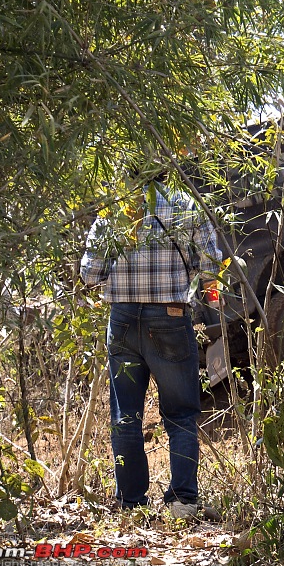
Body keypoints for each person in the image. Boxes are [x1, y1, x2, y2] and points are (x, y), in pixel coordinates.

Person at [81, 167, 222, 520]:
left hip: (123, 320)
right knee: (181, 414)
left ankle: (131, 504)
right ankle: (183, 501)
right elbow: (212, 267)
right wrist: (199, 284)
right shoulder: (185, 204)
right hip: (171, 317)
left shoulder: (113, 211)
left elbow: (89, 274)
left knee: (125, 415)